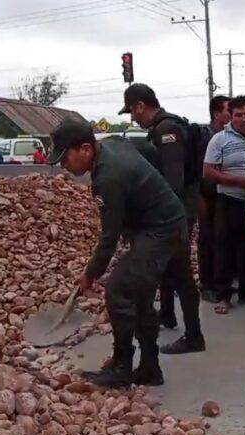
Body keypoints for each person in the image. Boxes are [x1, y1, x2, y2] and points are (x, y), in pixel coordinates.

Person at [46, 115, 191, 388]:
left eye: (65, 158)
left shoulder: (108, 177)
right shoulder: (111, 145)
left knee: (118, 291)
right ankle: (150, 368)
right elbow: (146, 153)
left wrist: (91, 274)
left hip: (160, 231)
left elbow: (109, 236)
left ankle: (122, 366)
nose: (64, 166)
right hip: (164, 224)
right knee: (140, 294)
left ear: (85, 149)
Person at [119, 83, 205, 354]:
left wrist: (161, 217)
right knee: (170, 269)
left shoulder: (167, 130)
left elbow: (172, 180)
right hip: (172, 211)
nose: (133, 118)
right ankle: (168, 315)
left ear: (140, 106)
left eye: (132, 111)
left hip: (175, 212)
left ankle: (193, 335)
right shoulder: (160, 128)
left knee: (181, 272)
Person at [203, 95, 245, 314]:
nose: (244, 119)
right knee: (225, 249)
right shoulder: (219, 140)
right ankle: (224, 295)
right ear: (231, 116)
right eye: (238, 115)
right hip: (228, 201)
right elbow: (208, 172)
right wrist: (240, 182)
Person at [197, 95, 232, 302]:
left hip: (223, 195)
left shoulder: (229, 136)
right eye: (229, 110)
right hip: (207, 195)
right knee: (208, 240)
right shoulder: (205, 138)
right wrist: (199, 196)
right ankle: (207, 284)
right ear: (217, 113)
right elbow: (196, 170)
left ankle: (222, 281)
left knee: (223, 240)